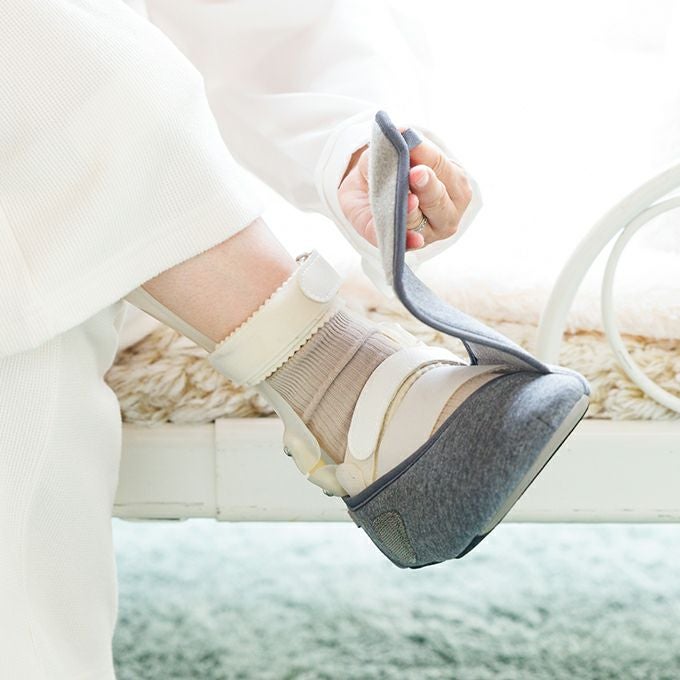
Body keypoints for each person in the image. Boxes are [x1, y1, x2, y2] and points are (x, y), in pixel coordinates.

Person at [0, 1, 528, 677]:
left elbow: (263, 25)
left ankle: (327, 369)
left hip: (111, 224)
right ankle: (331, 369)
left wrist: (354, 150)